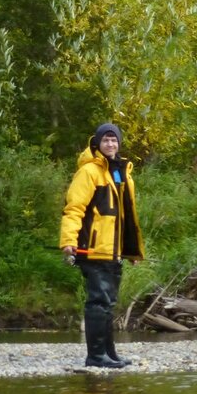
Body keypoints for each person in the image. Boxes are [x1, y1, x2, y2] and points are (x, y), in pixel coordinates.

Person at [60, 123, 144, 369]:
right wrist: (68, 242)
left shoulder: (122, 172)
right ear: (97, 144)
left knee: (108, 302)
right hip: (93, 248)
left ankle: (109, 353)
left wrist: (132, 251)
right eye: (106, 141)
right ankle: (95, 356)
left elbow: (127, 216)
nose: (111, 144)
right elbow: (73, 209)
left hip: (114, 251)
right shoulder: (88, 172)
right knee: (98, 300)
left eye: (114, 141)